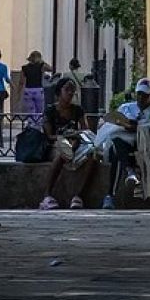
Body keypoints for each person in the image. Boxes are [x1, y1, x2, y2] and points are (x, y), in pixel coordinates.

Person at [101, 78, 150, 209]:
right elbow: (113, 121)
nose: (141, 98)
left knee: (118, 156)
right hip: (122, 141)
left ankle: (110, 195)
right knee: (117, 145)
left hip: (143, 145)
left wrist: (139, 127)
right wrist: (124, 124)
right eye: (139, 94)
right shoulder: (126, 108)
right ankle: (128, 171)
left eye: (145, 95)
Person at [38, 77, 97, 210]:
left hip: (76, 144)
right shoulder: (50, 111)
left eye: (73, 90)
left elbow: (85, 130)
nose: (70, 93)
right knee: (65, 152)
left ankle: (79, 196)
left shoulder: (77, 110)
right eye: (67, 89)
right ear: (59, 92)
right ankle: (47, 195)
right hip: (56, 145)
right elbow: (49, 136)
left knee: (93, 157)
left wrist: (76, 136)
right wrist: (64, 138)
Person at [18, 50, 52, 125]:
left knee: (31, 111)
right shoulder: (41, 66)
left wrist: (19, 93)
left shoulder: (24, 68)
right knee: (40, 111)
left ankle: (32, 125)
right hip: (38, 90)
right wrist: (42, 61)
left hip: (28, 90)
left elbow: (21, 82)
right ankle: (39, 125)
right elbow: (51, 69)